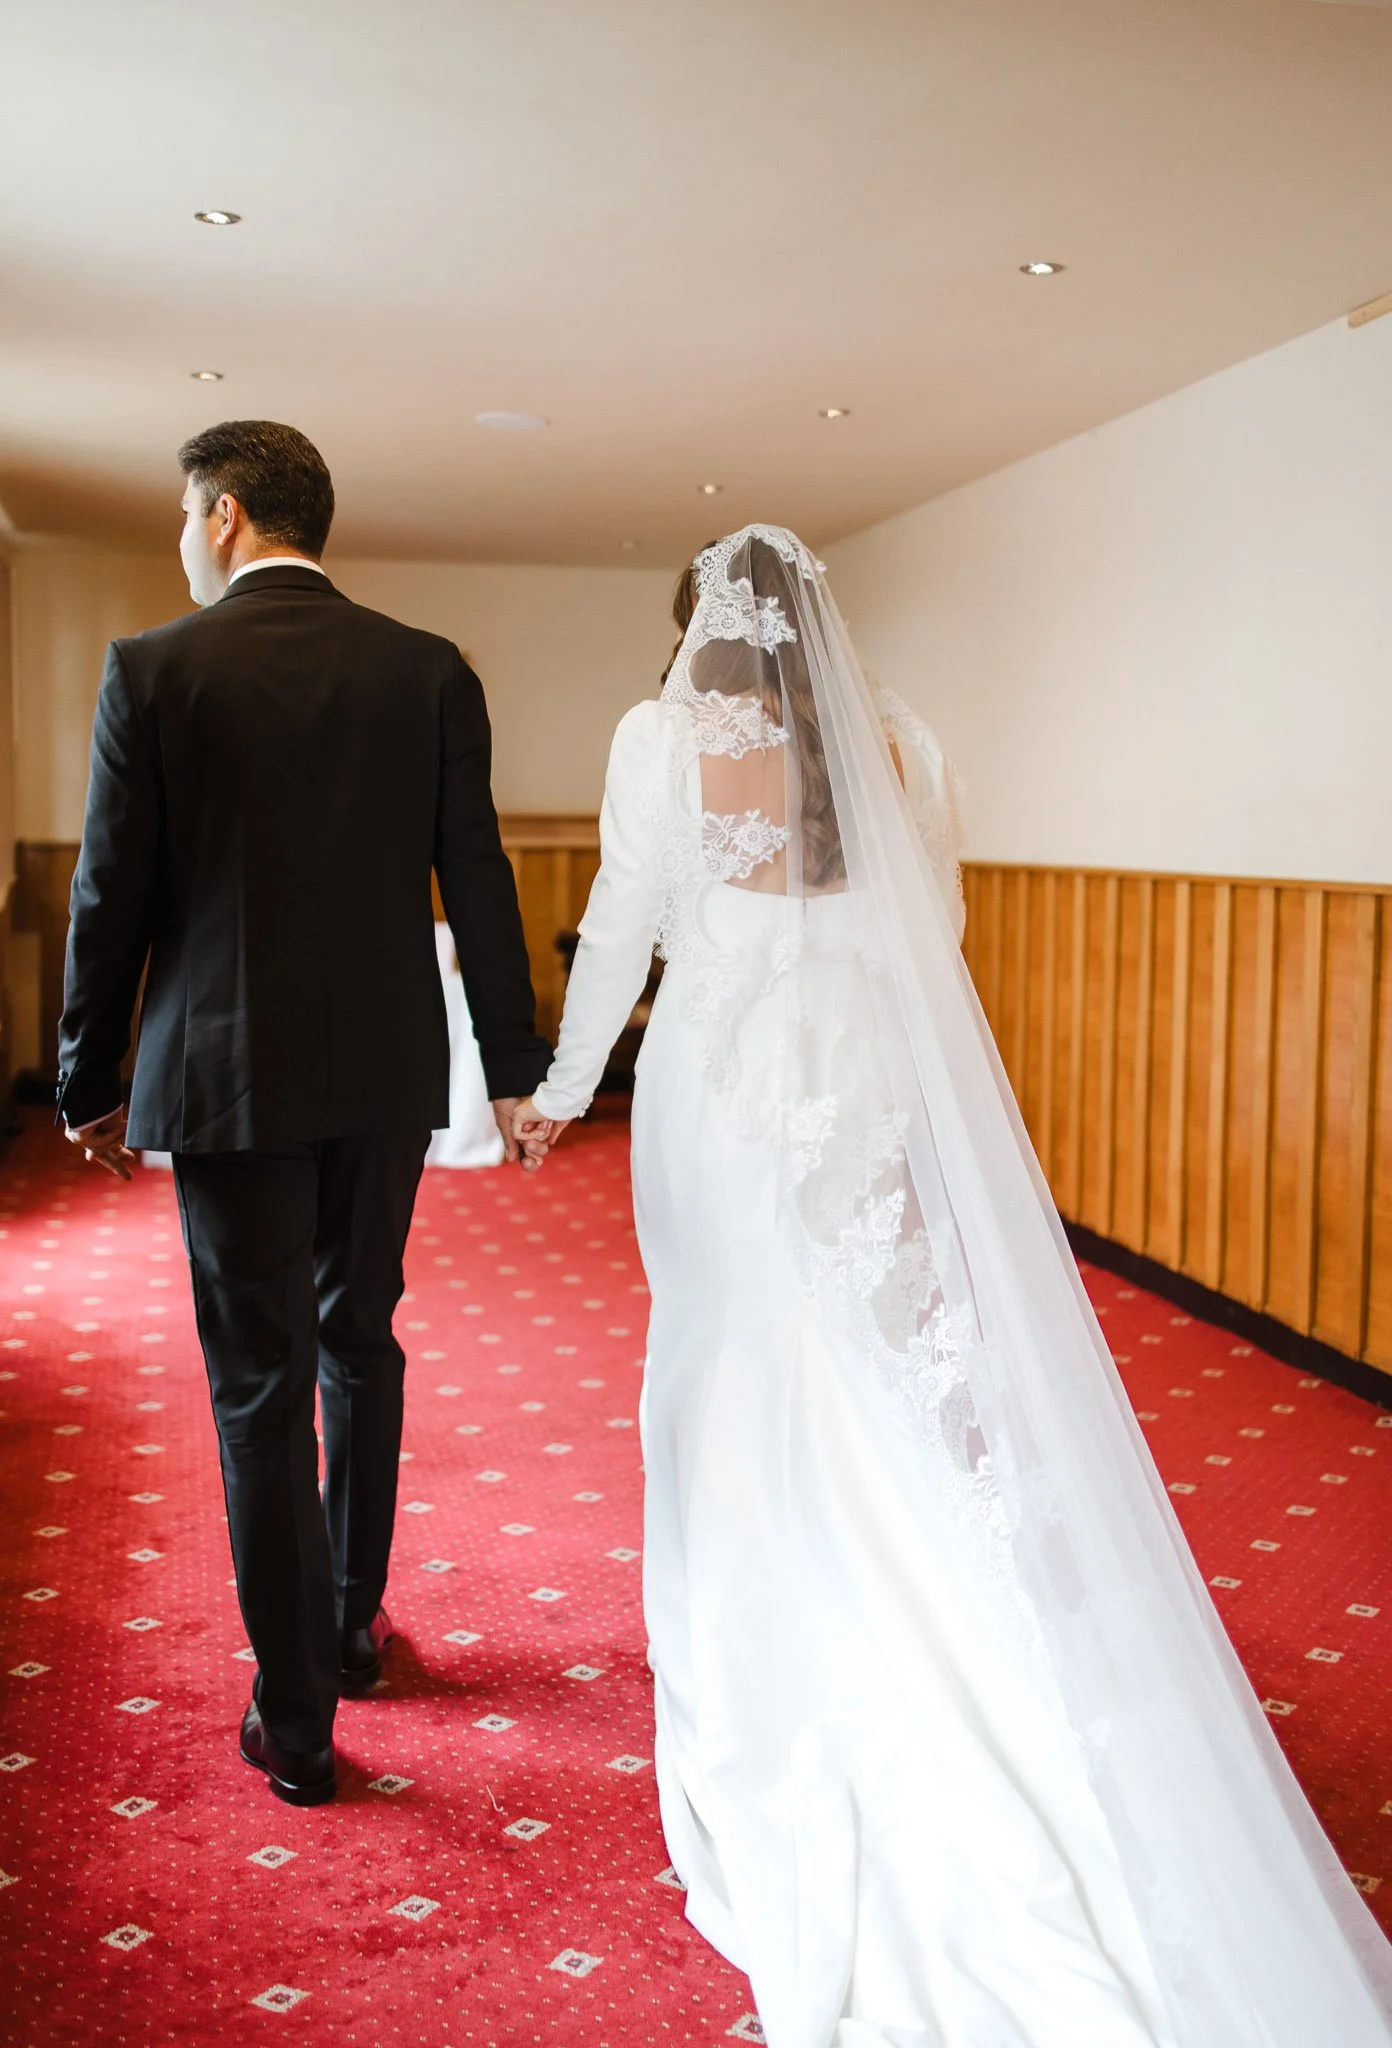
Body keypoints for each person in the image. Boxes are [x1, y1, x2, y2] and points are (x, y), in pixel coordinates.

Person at [513, 526, 1392, 2047]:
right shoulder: (904, 746)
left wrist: (561, 1086)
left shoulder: (662, 737)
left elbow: (623, 938)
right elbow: (944, 944)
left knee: (732, 1381)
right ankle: (968, 1634)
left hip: (721, 1107)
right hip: (858, 1093)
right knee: (875, 1365)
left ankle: (775, 1652)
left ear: (700, 634)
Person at [58, 421, 550, 1806]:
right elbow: (482, 879)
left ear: (220, 517)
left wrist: (86, 1075)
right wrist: (511, 1063)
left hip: (222, 1080)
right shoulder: (427, 669)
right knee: (359, 1334)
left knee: (258, 1385)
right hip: (388, 1070)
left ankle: (296, 1716)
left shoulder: (155, 670)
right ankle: (347, 1623)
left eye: (179, 516)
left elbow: (113, 894)